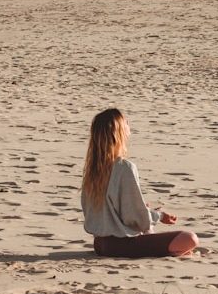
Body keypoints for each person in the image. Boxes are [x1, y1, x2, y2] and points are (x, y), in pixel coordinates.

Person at [81, 108, 199, 257]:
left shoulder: (92, 171)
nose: (129, 127)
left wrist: (145, 210)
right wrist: (159, 216)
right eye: (126, 124)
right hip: (122, 244)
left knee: (154, 225)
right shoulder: (124, 167)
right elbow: (135, 218)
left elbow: (97, 213)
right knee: (189, 238)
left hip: (100, 244)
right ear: (119, 133)